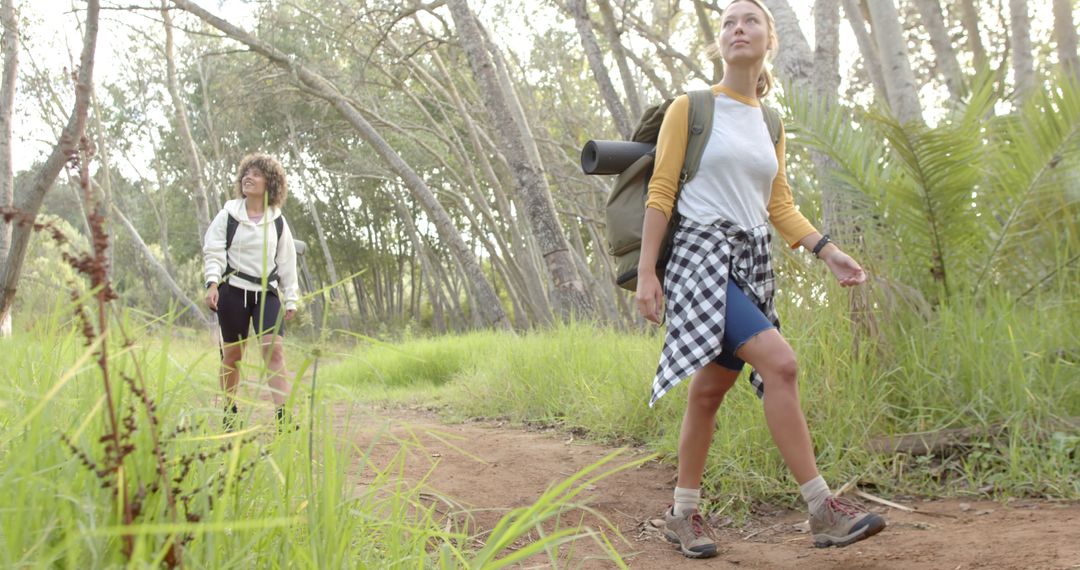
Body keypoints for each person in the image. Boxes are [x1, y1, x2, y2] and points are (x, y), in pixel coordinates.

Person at [635, 0, 885, 558]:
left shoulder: (770, 121)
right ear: (719, 41)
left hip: (751, 263)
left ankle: (681, 515)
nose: (737, 27)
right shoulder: (691, 107)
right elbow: (661, 191)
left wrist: (828, 251)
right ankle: (821, 509)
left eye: (749, 20)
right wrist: (649, 271)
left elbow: (780, 206)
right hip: (700, 257)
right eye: (727, 21)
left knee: (709, 391)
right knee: (781, 363)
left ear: (768, 39)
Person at [203, 153, 300, 432]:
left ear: (270, 183)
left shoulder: (278, 221)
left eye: (257, 174)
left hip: (266, 293)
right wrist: (212, 283)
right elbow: (214, 251)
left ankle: (283, 417)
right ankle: (229, 411)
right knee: (232, 356)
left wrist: (290, 297)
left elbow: (286, 261)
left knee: (274, 351)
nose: (249, 177)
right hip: (232, 291)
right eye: (247, 172)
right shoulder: (228, 215)